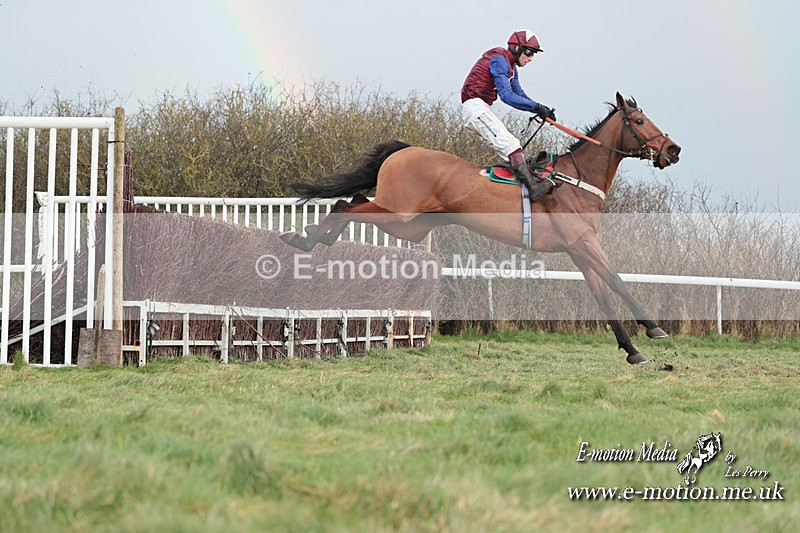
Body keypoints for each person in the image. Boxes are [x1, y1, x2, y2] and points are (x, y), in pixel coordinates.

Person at [461, 29, 558, 199]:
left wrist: (541, 110)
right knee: (511, 145)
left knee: (512, 146)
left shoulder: (511, 66)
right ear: (515, 47)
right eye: (529, 53)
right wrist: (536, 107)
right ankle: (533, 189)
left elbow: (519, 94)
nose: (530, 58)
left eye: (533, 54)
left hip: (483, 108)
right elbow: (507, 96)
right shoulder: (499, 60)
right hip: (475, 107)